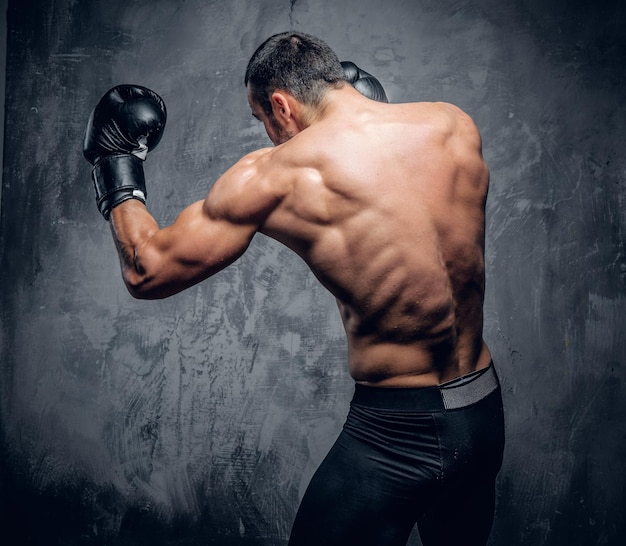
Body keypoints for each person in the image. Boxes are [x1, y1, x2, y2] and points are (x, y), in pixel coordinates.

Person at [83, 31, 504, 546]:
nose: (269, 135)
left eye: (262, 120)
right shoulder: (453, 125)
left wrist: (115, 163)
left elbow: (147, 271)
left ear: (281, 105)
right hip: (481, 415)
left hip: (399, 432)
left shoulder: (278, 175)